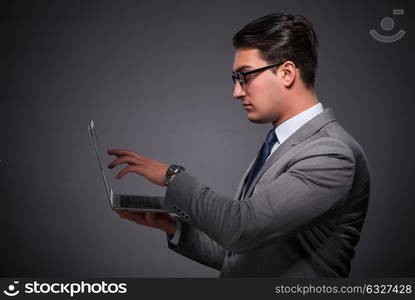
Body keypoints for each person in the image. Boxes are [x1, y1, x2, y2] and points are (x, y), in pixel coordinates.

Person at [107, 13, 370, 277]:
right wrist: (173, 227)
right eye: (236, 79)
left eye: (245, 76)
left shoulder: (332, 153)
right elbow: (240, 254)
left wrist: (172, 176)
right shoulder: (278, 146)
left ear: (287, 73)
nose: (237, 92)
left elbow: (241, 229)